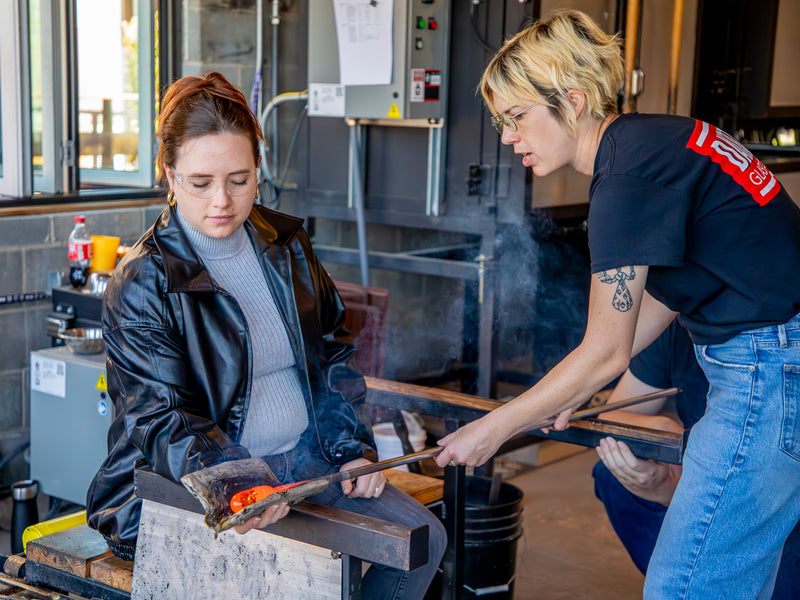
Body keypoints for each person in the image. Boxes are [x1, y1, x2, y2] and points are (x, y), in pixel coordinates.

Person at [433, 8, 800, 598]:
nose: (507, 137)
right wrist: (568, 392)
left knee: (686, 587)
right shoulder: (655, 142)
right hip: (779, 357)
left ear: (573, 102)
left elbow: (605, 353)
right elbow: (661, 298)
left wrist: (493, 429)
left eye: (518, 116)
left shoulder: (625, 177)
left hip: (771, 367)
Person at [85, 71, 446, 599]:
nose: (222, 202)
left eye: (239, 179)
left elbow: (333, 355)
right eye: (200, 182)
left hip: (303, 463)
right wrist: (236, 481)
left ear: (259, 169)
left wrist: (350, 448)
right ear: (170, 176)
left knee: (422, 541)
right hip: (189, 481)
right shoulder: (144, 281)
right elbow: (160, 417)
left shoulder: (286, 243)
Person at [592, 322, 800, 598]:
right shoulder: (675, 324)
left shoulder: (773, 330)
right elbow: (612, 414)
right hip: (708, 478)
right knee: (611, 475)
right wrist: (666, 433)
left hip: (774, 492)